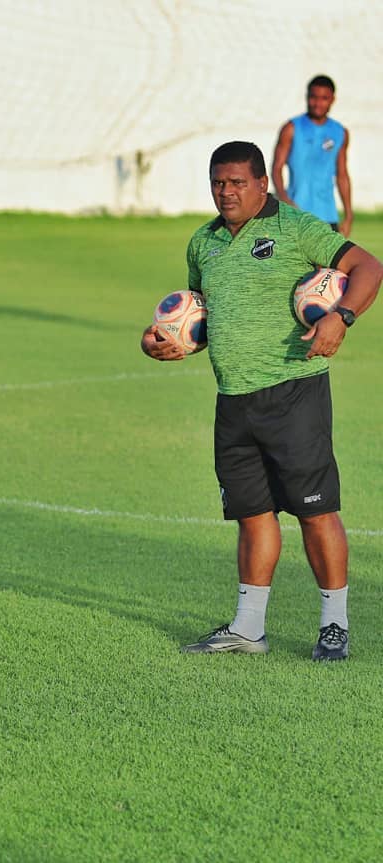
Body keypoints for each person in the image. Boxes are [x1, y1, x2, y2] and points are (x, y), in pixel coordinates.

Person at [141, 141, 383, 660]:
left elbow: (369, 267)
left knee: (317, 512)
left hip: (295, 393)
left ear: (262, 184)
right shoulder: (202, 242)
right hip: (233, 400)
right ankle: (248, 629)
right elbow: (197, 315)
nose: (225, 192)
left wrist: (341, 318)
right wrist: (162, 340)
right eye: (217, 183)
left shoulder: (295, 227)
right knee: (252, 514)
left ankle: (334, 627)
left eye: (237, 183)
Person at [272, 75, 353, 237]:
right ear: (307, 97)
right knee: (294, 262)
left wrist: (349, 215)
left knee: (329, 263)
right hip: (296, 214)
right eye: (313, 97)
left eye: (324, 98)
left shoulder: (339, 132)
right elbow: (276, 168)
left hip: (327, 215)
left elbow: (342, 175)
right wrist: (284, 199)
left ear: (332, 99)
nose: (318, 103)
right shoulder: (291, 128)